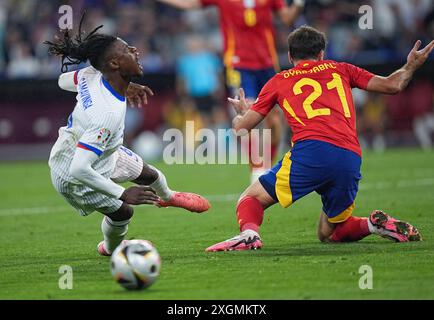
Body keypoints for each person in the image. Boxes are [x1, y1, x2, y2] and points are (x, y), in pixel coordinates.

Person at [206, 26, 433, 252]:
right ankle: (373, 225)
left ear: (289, 56)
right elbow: (393, 85)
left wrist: (240, 114)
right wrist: (411, 65)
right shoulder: (341, 69)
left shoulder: (279, 80)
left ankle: (249, 235)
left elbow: (242, 129)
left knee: (250, 198)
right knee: (329, 232)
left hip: (311, 153)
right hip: (349, 156)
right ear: (322, 54)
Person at [45, 17, 210, 257]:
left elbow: (62, 81)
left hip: (100, 151)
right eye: (127, 50)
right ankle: (110, 249)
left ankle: (169, 197)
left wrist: (124, 86)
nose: (135, 51)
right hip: (71, 173)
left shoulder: (94, 74)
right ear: (114, 64)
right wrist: (121, 193)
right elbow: (80, 169)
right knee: (124, 212)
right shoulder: (106, 114)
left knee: (149, 174)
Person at [156, 0, 305, 182]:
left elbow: (287, 18)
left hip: (267, 64)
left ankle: (266, 165)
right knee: (247, 113)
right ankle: (257, 168)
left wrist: (298, 3)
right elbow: (192, 4)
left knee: (275, 117)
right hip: (238, 65)